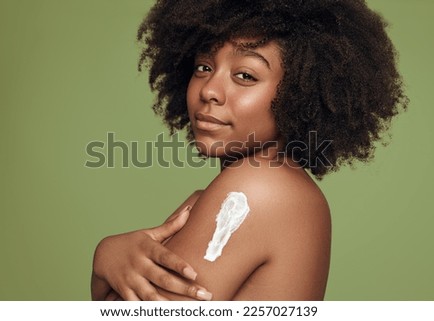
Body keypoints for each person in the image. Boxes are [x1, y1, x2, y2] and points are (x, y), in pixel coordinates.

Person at [91, 0, 408, 301]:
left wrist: (105, 259)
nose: (210, 90)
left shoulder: (254, 189)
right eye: (203, 66)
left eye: (245, 75)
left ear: (299, 93)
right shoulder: (289, 189)